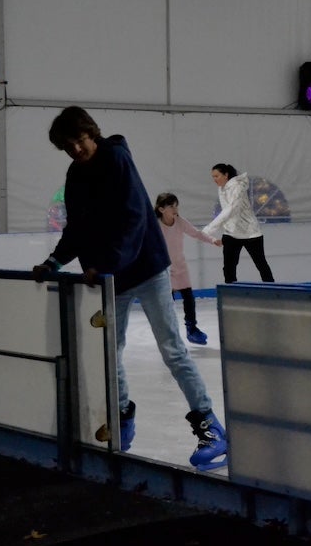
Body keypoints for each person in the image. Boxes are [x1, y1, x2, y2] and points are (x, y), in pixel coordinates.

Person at [31, 106, 228, 471]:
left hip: (146, 267)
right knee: (110, 351)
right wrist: (54, 261)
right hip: (111, 276)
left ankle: (210, 428)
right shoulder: (76, 174)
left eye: (79, 140)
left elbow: (135, 215)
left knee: (172, 350)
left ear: (92, 133)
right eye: (68, 146)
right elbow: (78, 227)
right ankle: (122, 416)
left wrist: (107, 262)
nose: (75, 149)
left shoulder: (116, 158)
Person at [155, 192, 222, 345]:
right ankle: (169, 333)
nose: (175, 209)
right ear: (161, 209)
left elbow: (196, 233)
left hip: (180, 267)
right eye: (171, 206)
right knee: (168, 302)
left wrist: (213, 240)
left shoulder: (180, 222)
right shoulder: (156, 225)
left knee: (189, 299)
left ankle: (192, 329)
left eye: (176, 206)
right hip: (164, 268)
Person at [203, 163, 274, 283]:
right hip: (231, 233)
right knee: (228, 267)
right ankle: (230, 291)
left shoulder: (237, 187)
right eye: (213, 177)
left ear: (226, 175)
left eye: (217, 176)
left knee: (261, 264)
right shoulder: (221, 189)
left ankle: (272, 290)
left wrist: (209, 229)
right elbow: (227, 212)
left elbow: (230, 209)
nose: (214, 179)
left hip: (250, 233)